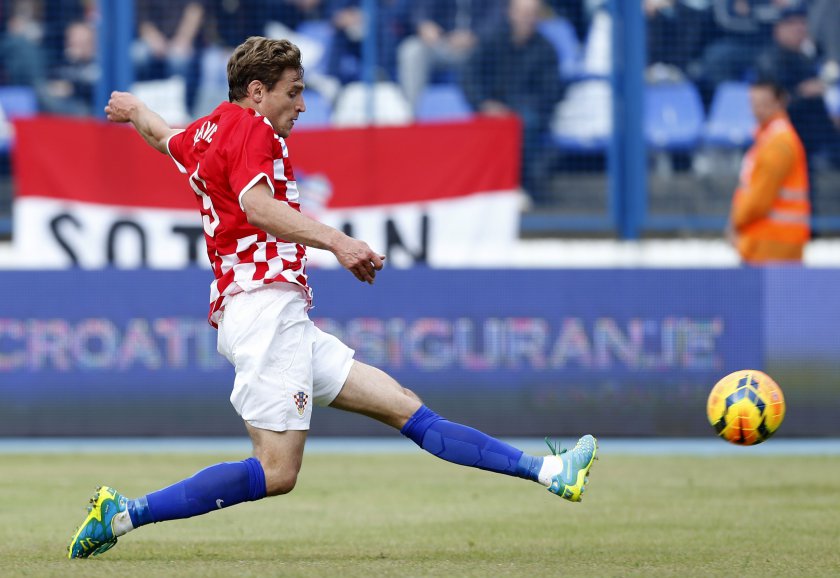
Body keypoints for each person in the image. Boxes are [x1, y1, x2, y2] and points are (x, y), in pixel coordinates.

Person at [66, 36, 598, 559]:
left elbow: (165, 138)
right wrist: (339, 242)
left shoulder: (210, 130)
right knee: (277, 472)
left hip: (275, 315)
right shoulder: (254, 129)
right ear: (256, 91)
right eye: (293, 92)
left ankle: (550, 472)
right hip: (263, 309)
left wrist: (136, 109)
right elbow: (257, 207)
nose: (301, 104)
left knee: (406, 409)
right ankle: (120, 515)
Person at [461, 0, 562, 203]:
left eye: (532, 13)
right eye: (522, 12)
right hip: (490, 109)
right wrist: (484, 104)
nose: (527, 18)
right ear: (510, 13)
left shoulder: (546, 49)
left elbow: (549, 94)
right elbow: (469, 76)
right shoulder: (491, 41)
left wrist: (512, 111)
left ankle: (519, 184)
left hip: (527, 115)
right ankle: (488, 189)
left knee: (527, 122)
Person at [728, 80, 810, 264]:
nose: (757, 109)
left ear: (780, 102)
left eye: (764, 103)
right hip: (769, 241)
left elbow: (760, 197)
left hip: (772, 243)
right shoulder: (769, 138)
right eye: (754, 103)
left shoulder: (778, 143)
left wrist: (736, 222)